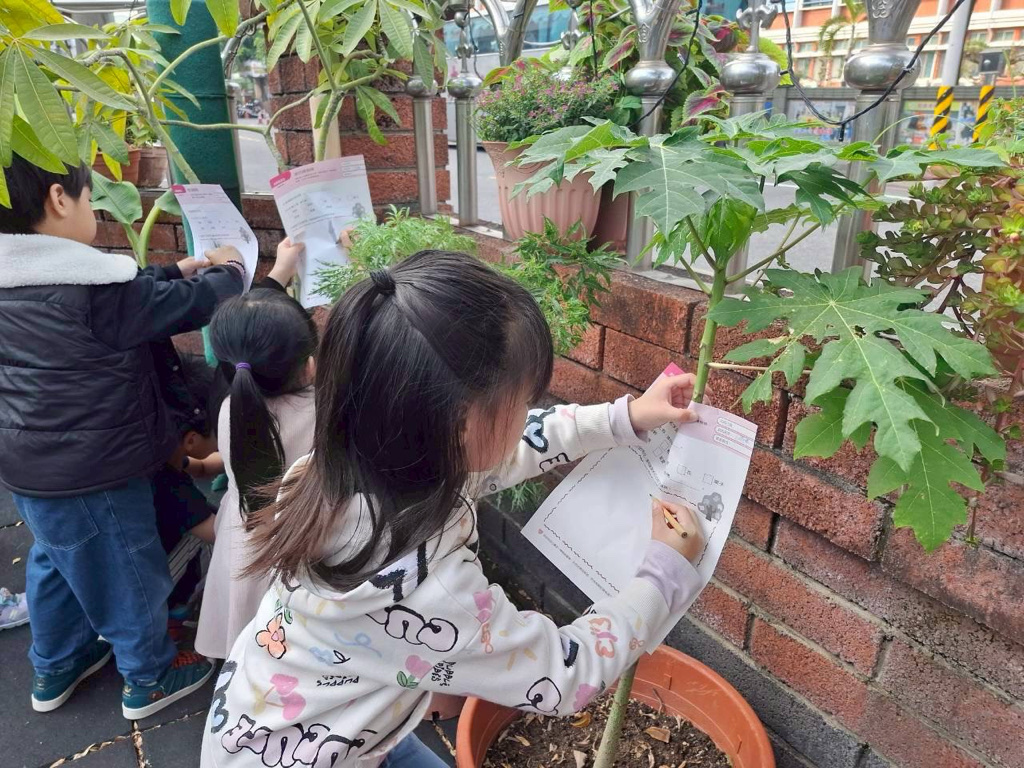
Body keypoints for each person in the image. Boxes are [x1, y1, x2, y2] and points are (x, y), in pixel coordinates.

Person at [200, 250, 705, 768]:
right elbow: (563, 674)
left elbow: (507, 450)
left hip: (312, 715)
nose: (529, 412)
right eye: (523, 401)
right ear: (461, 426)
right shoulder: (429, 590)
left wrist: (624, 417)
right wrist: (664, 574)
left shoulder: (343, 469)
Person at [0, 155, 244, 718]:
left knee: (56, 562)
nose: (92, 208)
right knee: (128, 571)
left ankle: (56, 665)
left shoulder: (16, 280)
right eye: (89, 199)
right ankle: (149, 675)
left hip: (28, 470)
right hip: (98, 472)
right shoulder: (98, 297)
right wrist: (230, 270)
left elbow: (133, 289)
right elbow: (191, 304)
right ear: (59, 199)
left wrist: (176, 269)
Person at [194, 249, 317, 660]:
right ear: (309, 365)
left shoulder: (233, 407)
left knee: (251, 630)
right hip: (307, 535)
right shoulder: (326, 412)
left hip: (246, 533)